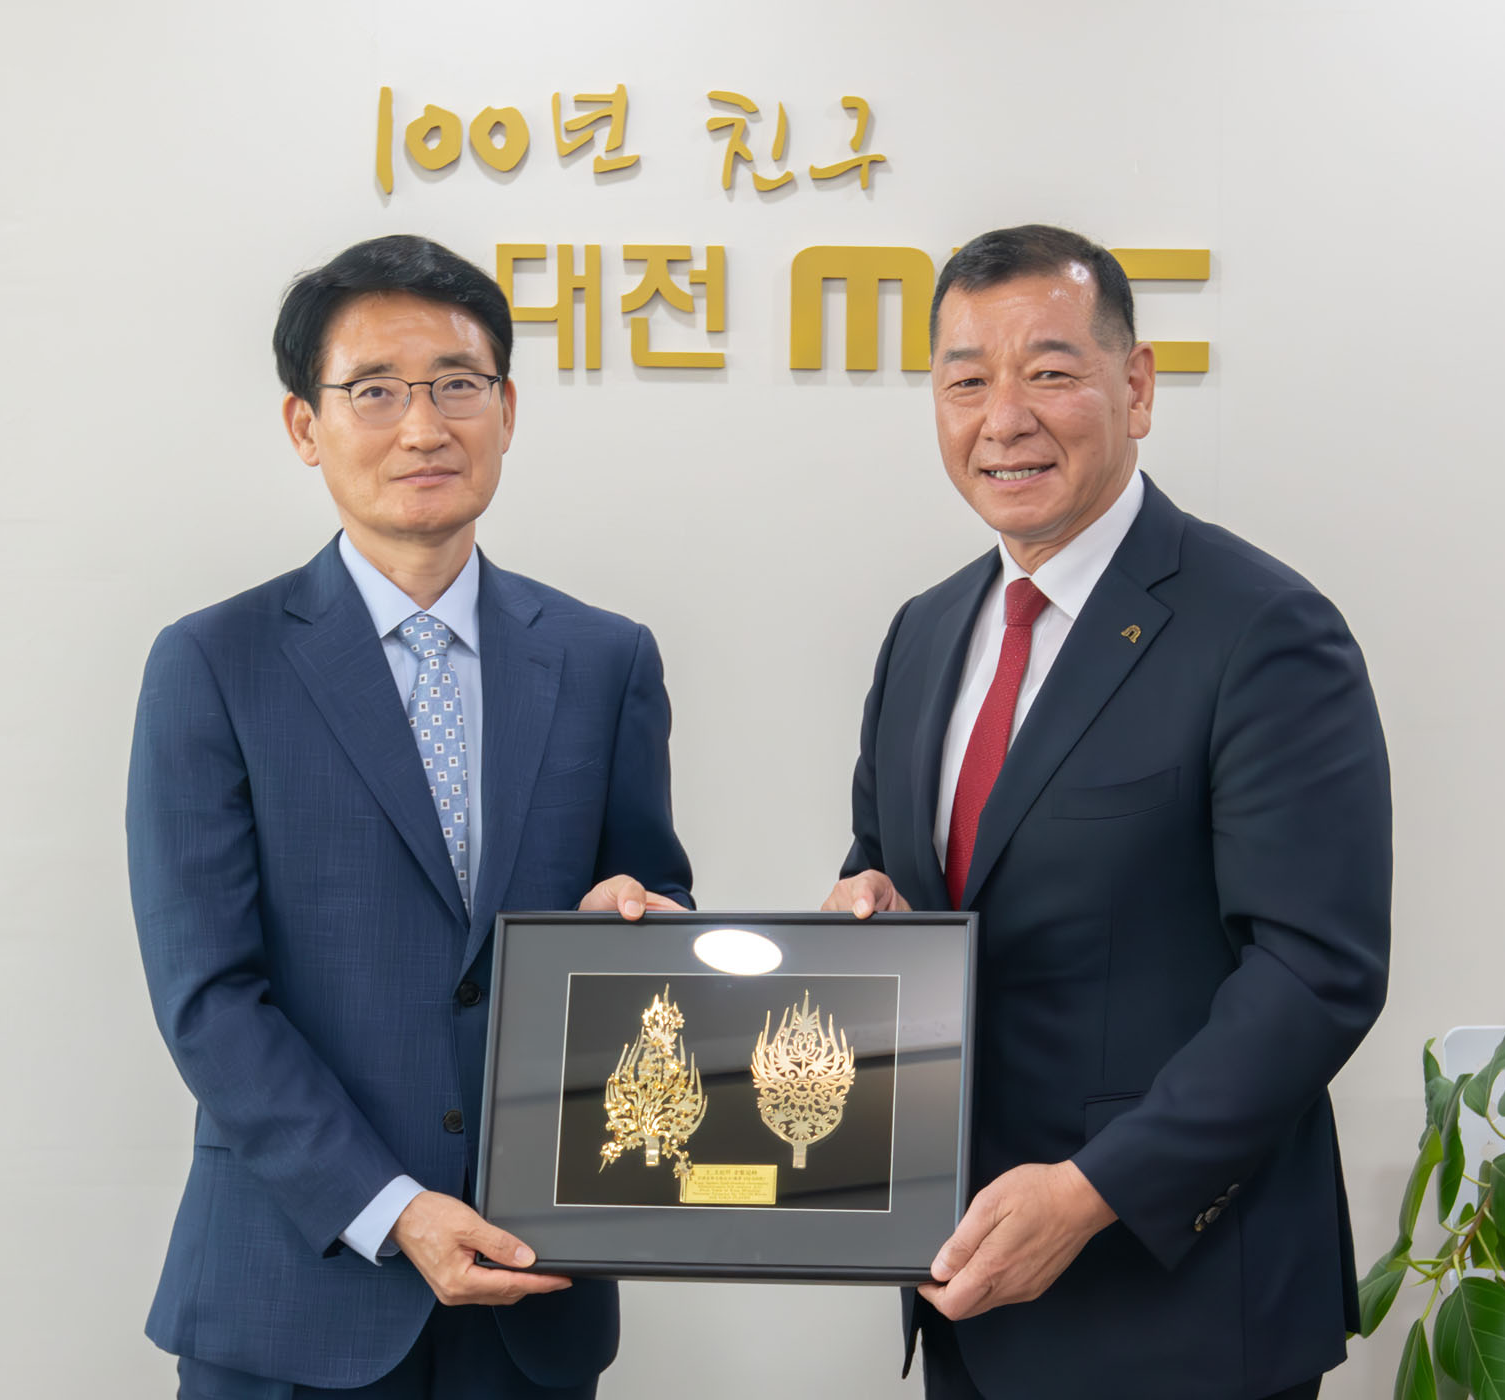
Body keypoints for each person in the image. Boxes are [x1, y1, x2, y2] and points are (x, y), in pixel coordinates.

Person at [822, 224, 1391, 1400]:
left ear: (1136, 386)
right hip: (966, 1290)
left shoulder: (1264, 629)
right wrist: (862, 906)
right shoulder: (924, 631)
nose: (1004, 418)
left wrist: (1091, 1192)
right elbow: (891, 860)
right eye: (967, 380)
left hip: (1180, 1305)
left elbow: (1314, 972)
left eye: (1050, 371)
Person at [128, 234, 692, 1399]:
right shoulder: (215, 663)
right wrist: (393, 1207)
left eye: (455, 384)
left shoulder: (603, 658)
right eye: (376, 391)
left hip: (532, 1291)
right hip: (295, 1295)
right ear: (306, 425)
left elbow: (649, 909)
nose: (423, 426)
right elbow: (209, 995)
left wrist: (640, 925)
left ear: (507, 409)